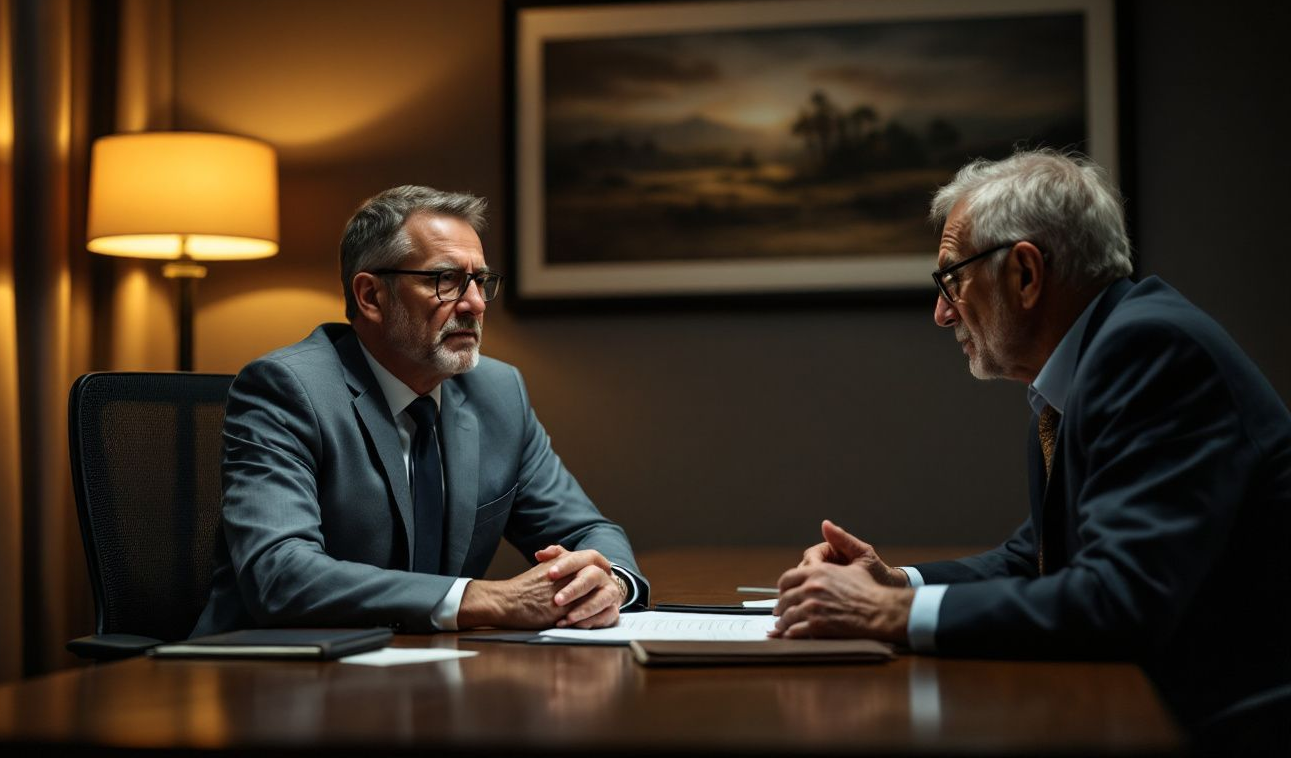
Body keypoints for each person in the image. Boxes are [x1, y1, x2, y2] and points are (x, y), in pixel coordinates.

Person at [770, 150, 1291, 740]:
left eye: (952, 278)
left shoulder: (1149, 351)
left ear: (1024, 274)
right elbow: (1037, 558)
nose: (942, 313)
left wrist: (888, 614)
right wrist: (897, 583)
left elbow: (1118, 602)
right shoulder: (1097, 358)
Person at [194, 185, 647, 636]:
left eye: (480, 281)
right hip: (267, 675)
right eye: (444, 280)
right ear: (371, 296)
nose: (473, 304)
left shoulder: (498, 392)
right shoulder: (287, 389)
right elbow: (280, 574)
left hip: (423, 672)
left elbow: (587, 531)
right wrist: (485, 599)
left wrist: (608, 583)